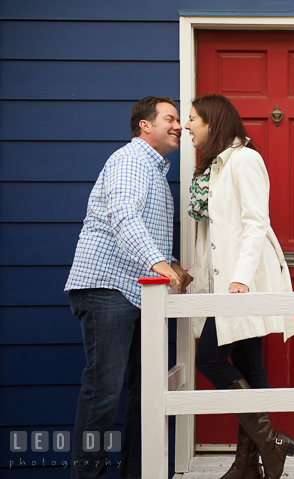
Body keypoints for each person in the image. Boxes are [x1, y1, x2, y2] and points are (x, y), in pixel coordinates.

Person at [64, 96, 193, 479]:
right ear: (145, 126)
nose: (179, 126)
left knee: (146, 391)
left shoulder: (153, 169)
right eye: (169, 119)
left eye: (180, 120)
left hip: (138, 294)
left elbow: (144, 229)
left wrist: (172, 267)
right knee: (103, 393)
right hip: (107, 288)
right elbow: (123, 217)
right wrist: (160, 267)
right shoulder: (130, 161)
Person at [185, 94, 294, 479]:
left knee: (210, 360)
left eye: (193, 119)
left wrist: (239, 278)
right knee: (251, 363)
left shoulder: (245, 159)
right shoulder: (214, 166)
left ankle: (271, 445)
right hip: (225, 282)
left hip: (241, 281)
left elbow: (255, 222)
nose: (187, 126)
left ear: (212, 122)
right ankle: (247, 463)